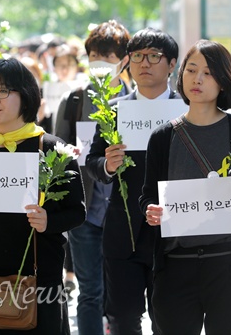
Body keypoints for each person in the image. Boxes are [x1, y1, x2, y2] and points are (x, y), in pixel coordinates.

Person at [0, 58, 86, 335]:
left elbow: (77, 211)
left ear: (26, 95)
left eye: (2, 91)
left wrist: (48, 222)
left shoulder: (52, 148)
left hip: (37, 280)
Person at [140, 39, 231, 335]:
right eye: (191, 70)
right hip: (175, 265)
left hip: (228, 265)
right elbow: (147, 195)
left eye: (208, 73)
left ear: (225, 80)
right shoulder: (162, 137)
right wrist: (151, 211)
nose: (197, 79)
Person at [86, 27, 180, 335]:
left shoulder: (187, 111)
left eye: (154, 56)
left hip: (173, 234)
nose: (145, 63)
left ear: (172, 64)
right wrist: (108, 166)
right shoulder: (114, 111)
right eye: (137, 56)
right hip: (123, 233)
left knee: (168, 320)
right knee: (123, 320)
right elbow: (93, 162)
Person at [54, 20, 131, 335]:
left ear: (124, 60)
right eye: (95, 55)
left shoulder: (137, 103)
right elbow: (55, 153)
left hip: (125, 214)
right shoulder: (73, 99)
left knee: (123, 293)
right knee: (90, 292)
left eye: (108, 56)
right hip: (85, 213)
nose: (100, 63)